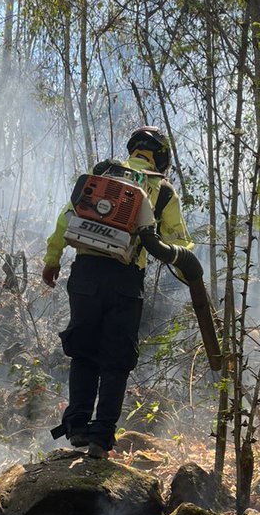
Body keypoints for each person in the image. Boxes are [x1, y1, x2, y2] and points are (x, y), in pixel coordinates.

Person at [42, 126, 193, 458]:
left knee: (83, 351)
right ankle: (101, 439)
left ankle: (77, 427)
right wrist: (190, 275)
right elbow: (178, 245)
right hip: (125, 279)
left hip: (85, 274)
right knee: (116, 360)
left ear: (134, 150)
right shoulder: (163, 190)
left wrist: (52, 258)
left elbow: (66, 218)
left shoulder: (102, 176)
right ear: (161, 157)